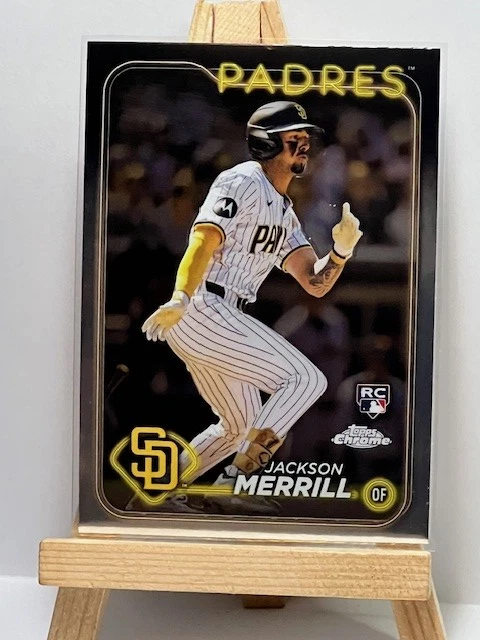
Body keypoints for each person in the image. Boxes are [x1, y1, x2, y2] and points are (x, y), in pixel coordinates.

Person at [142, 101, 363, 514]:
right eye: (294, 138)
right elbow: (204, 238)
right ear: (265, 143)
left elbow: (313, 283)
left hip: (220, 313)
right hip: (203, 304)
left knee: (239, 426)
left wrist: (340, 252)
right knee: (305, 379)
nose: (304, 144)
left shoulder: (285, 212)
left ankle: (157, 492)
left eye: (306, 138)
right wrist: (180, 296)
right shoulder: (242, 179)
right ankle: (236, 483)